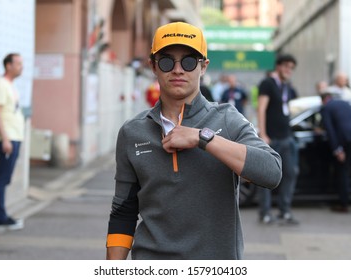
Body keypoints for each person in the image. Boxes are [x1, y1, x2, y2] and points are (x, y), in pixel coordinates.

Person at [105, 22, 282, 260]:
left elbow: (271, 172)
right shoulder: (132, 132)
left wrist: (203, 137)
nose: (178, 70)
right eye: (167, 61)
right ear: (154, 66)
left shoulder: (227, 118)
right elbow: (123, 211)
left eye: (188, 61)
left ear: (203, 67)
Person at [257, 54, 299, 225]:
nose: (289, 70)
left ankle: (285, 211)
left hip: (286, 137)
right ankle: (265, 213)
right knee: (265, 176)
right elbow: (261, 109)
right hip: (271, 138)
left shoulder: (287, 87)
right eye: (286, 66)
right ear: (279, 66)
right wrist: (263, 134)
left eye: (291, 68)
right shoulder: (268, 83)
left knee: (290, 173)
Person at [0, 53, 25, 231]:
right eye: (18, 63)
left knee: (5, 178)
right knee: (2, 178)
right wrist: (5, 138)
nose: (21, 66)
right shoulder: (0, 85)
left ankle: (3, 215)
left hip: (14, 137)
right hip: (7, 138)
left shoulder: (10, 85)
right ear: (8, 65)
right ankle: (0, 217)